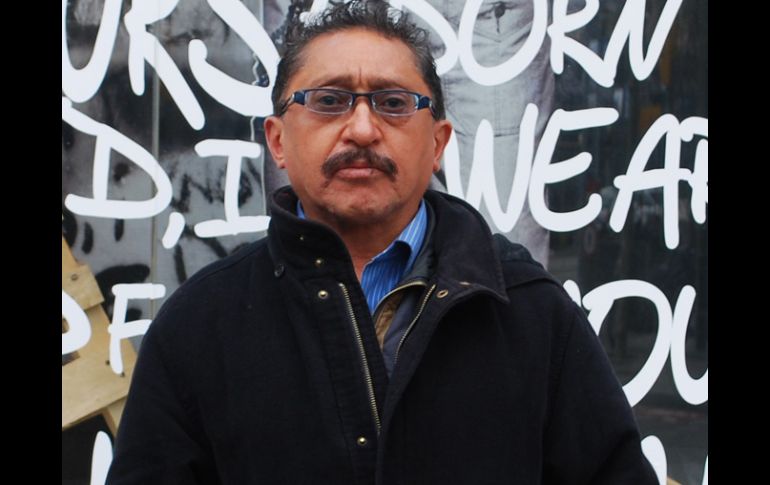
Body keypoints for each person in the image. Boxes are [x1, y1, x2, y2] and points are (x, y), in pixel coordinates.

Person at [107, 1, 657, 483]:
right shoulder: (198, 327)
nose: (363, 129)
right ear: (277, 141)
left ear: (438, 143)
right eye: (329, 100)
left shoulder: (533, 314)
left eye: (394, 103)